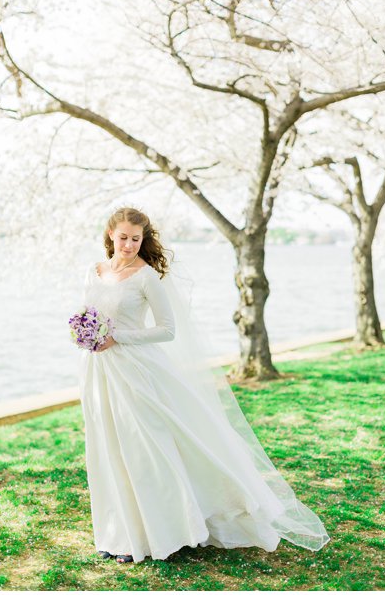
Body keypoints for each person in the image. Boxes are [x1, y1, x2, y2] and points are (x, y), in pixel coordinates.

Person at [78, 207, 329, 564]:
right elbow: (86, 313)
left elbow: (167, 330)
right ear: (110, 236)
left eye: (136, 239)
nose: (130, 245)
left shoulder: (146, 277)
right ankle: (119, 533)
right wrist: (84, 334)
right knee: (108, 450)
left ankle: (157, 535)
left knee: (146, 450)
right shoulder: (94, 272)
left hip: (137, 372)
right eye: (123, 238)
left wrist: (116, 336)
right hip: (99, 371)